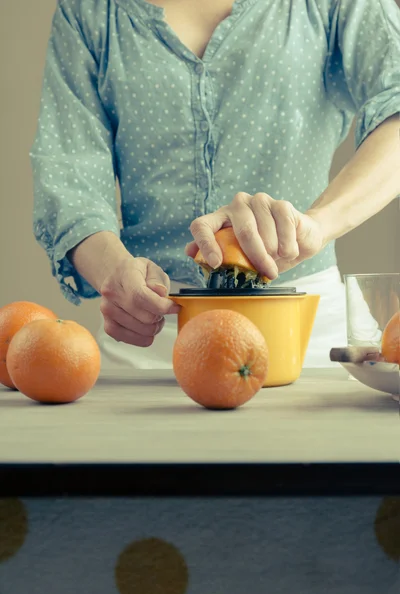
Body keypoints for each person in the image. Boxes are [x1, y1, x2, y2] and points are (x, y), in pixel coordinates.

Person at [30, 0, 400, 372]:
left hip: (308, 340)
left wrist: (316, 224)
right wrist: (114, 270)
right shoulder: (89, 12)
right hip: (150, 339)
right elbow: (69, 174)